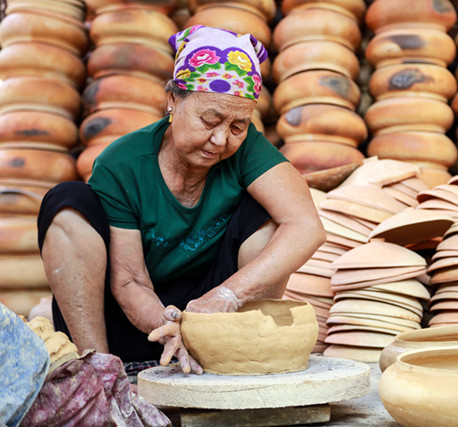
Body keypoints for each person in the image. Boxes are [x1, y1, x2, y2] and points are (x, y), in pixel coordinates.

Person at [37, 26, 326, 374]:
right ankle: (99, 374)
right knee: (68, 202)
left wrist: (226, 297)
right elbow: (130, 281)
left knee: (268, 214)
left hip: (215, 319)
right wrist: (165, 323)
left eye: (238, 126)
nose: (221, 139)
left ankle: (242, 357)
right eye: (210, 119)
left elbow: (307, 227)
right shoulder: (121, 163)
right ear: (173, 100)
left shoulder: (248, 149)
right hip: (132, 322)